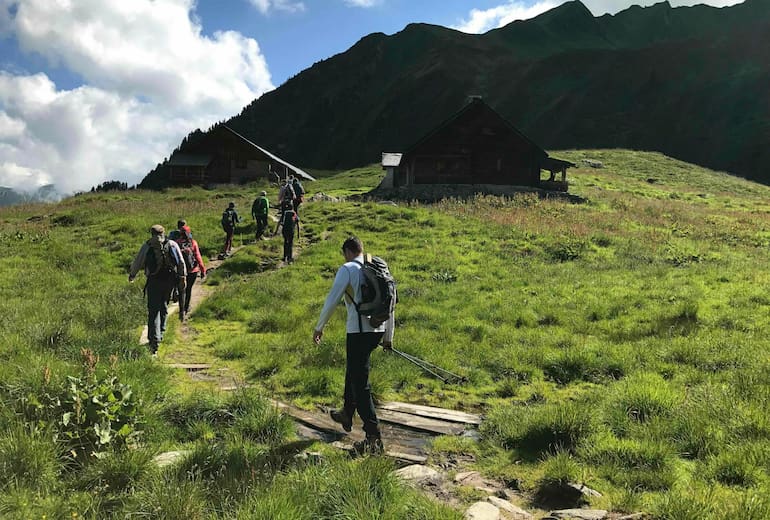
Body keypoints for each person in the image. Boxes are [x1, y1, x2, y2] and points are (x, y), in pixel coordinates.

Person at [313, 236, 394, 455]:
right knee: (354, 370)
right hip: (377, 331)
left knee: (361, 383)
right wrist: (388, 337)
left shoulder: (347, 269)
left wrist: (319, 326)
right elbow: (390, 301)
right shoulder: (378, 265)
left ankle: (373, 439)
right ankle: (347, 412)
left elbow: (332, 299)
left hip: (358, 332)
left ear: (348, 251)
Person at [129, 224, 187, 356]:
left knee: (153, 310)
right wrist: (182, 277)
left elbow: (138, 261)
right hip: (169, 281)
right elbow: (181, 262)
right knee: (164, 305)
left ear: (151, 233)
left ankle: (154, 340)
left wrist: (132, 274)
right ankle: (161, 331)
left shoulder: (148, 245)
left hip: (154, 281)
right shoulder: (172, 244)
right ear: (163, 232)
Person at [174, 224, 206, 320]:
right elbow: (198, 257)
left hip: (180, 271)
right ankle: (186, 308)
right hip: (192, 271)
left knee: (181, 290)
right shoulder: (193, 243)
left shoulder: (176, 243)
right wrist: (203, 270)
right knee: (188, 290)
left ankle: (181, 309)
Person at [279, 199, 300, 264]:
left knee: (285, 242)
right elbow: (297, 223)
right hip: (291, 230)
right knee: (290, 243)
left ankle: (284, 256)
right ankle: (289, 257)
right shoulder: (294, 213)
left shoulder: (284, 213)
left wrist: (276, 231)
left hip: (285, 230)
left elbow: (280, 223)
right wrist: (298, 233)